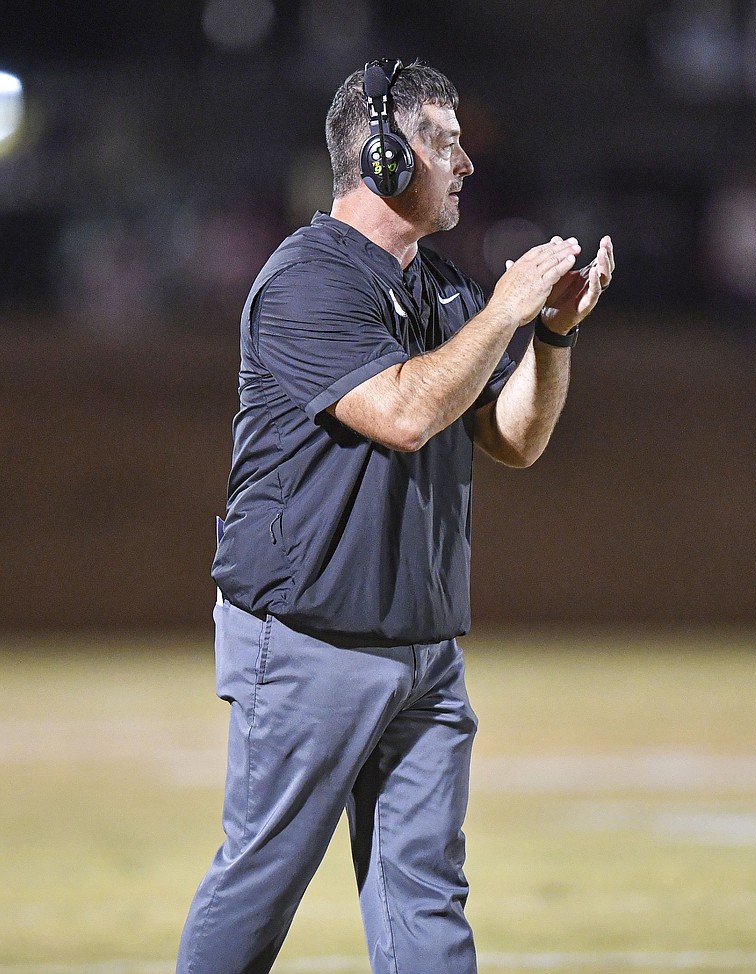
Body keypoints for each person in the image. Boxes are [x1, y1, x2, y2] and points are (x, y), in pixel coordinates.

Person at [176, 58, 613, 974]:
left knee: (427, 898)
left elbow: (514, 438)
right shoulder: (307, 279)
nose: (463, 165)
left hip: (423, 646)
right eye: (444, 142)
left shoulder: (443, 287)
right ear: (381, 155)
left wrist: (553, 334)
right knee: (262, 884)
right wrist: (502, 311)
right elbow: (405, 413)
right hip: (310, 640)